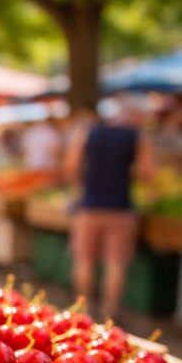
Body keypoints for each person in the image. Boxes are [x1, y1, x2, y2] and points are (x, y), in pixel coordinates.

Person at [64, 98, 155, 323]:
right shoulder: (137, 137)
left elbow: (71, 166)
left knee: (84, 259)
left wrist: (82, 185)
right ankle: (109, 314)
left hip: (89, 206)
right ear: (134, 115)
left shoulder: (88, 132)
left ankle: (83, 310)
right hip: (121, 208)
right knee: (115, 263)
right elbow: (147, 172)